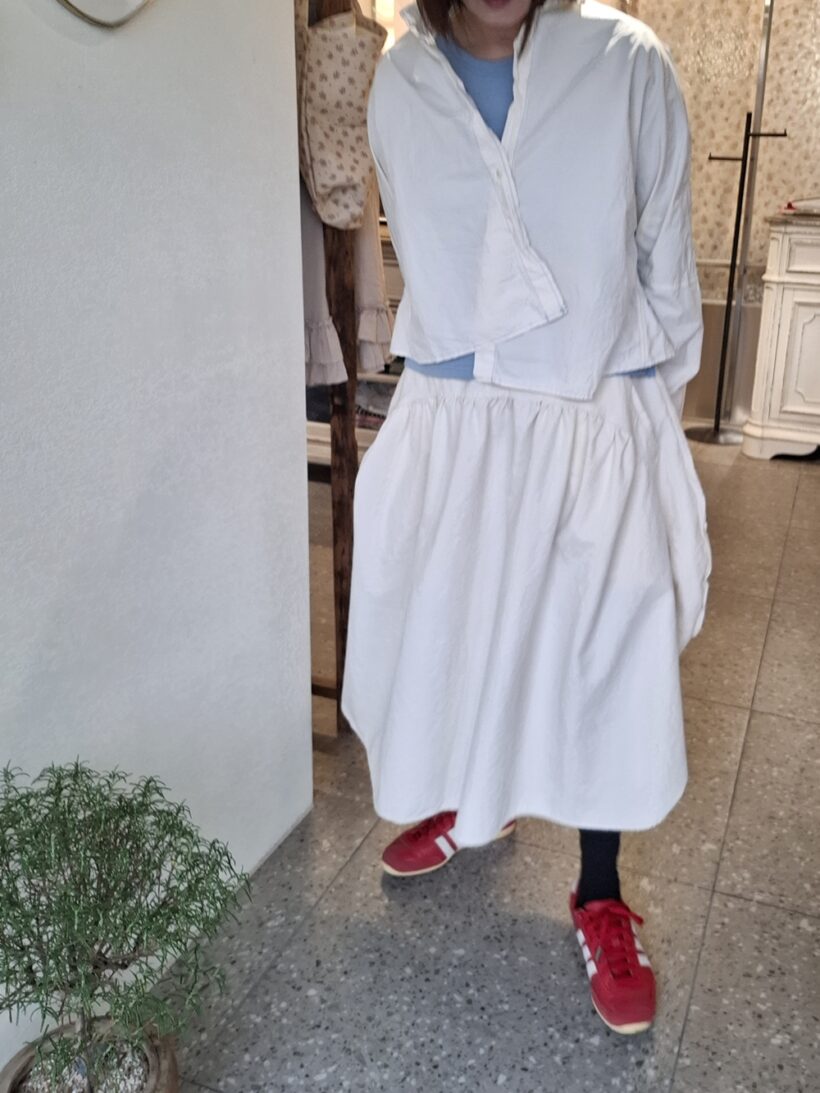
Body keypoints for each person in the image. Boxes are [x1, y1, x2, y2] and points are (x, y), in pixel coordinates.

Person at [341, 0, 711, 1037]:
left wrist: (641, 419)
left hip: (594, 415)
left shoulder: (624, 59)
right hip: (457, 427)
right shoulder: (401, 79)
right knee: (460, 630)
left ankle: (599, 890)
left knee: (604, 655)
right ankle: (477, 795)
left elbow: (664, 248)